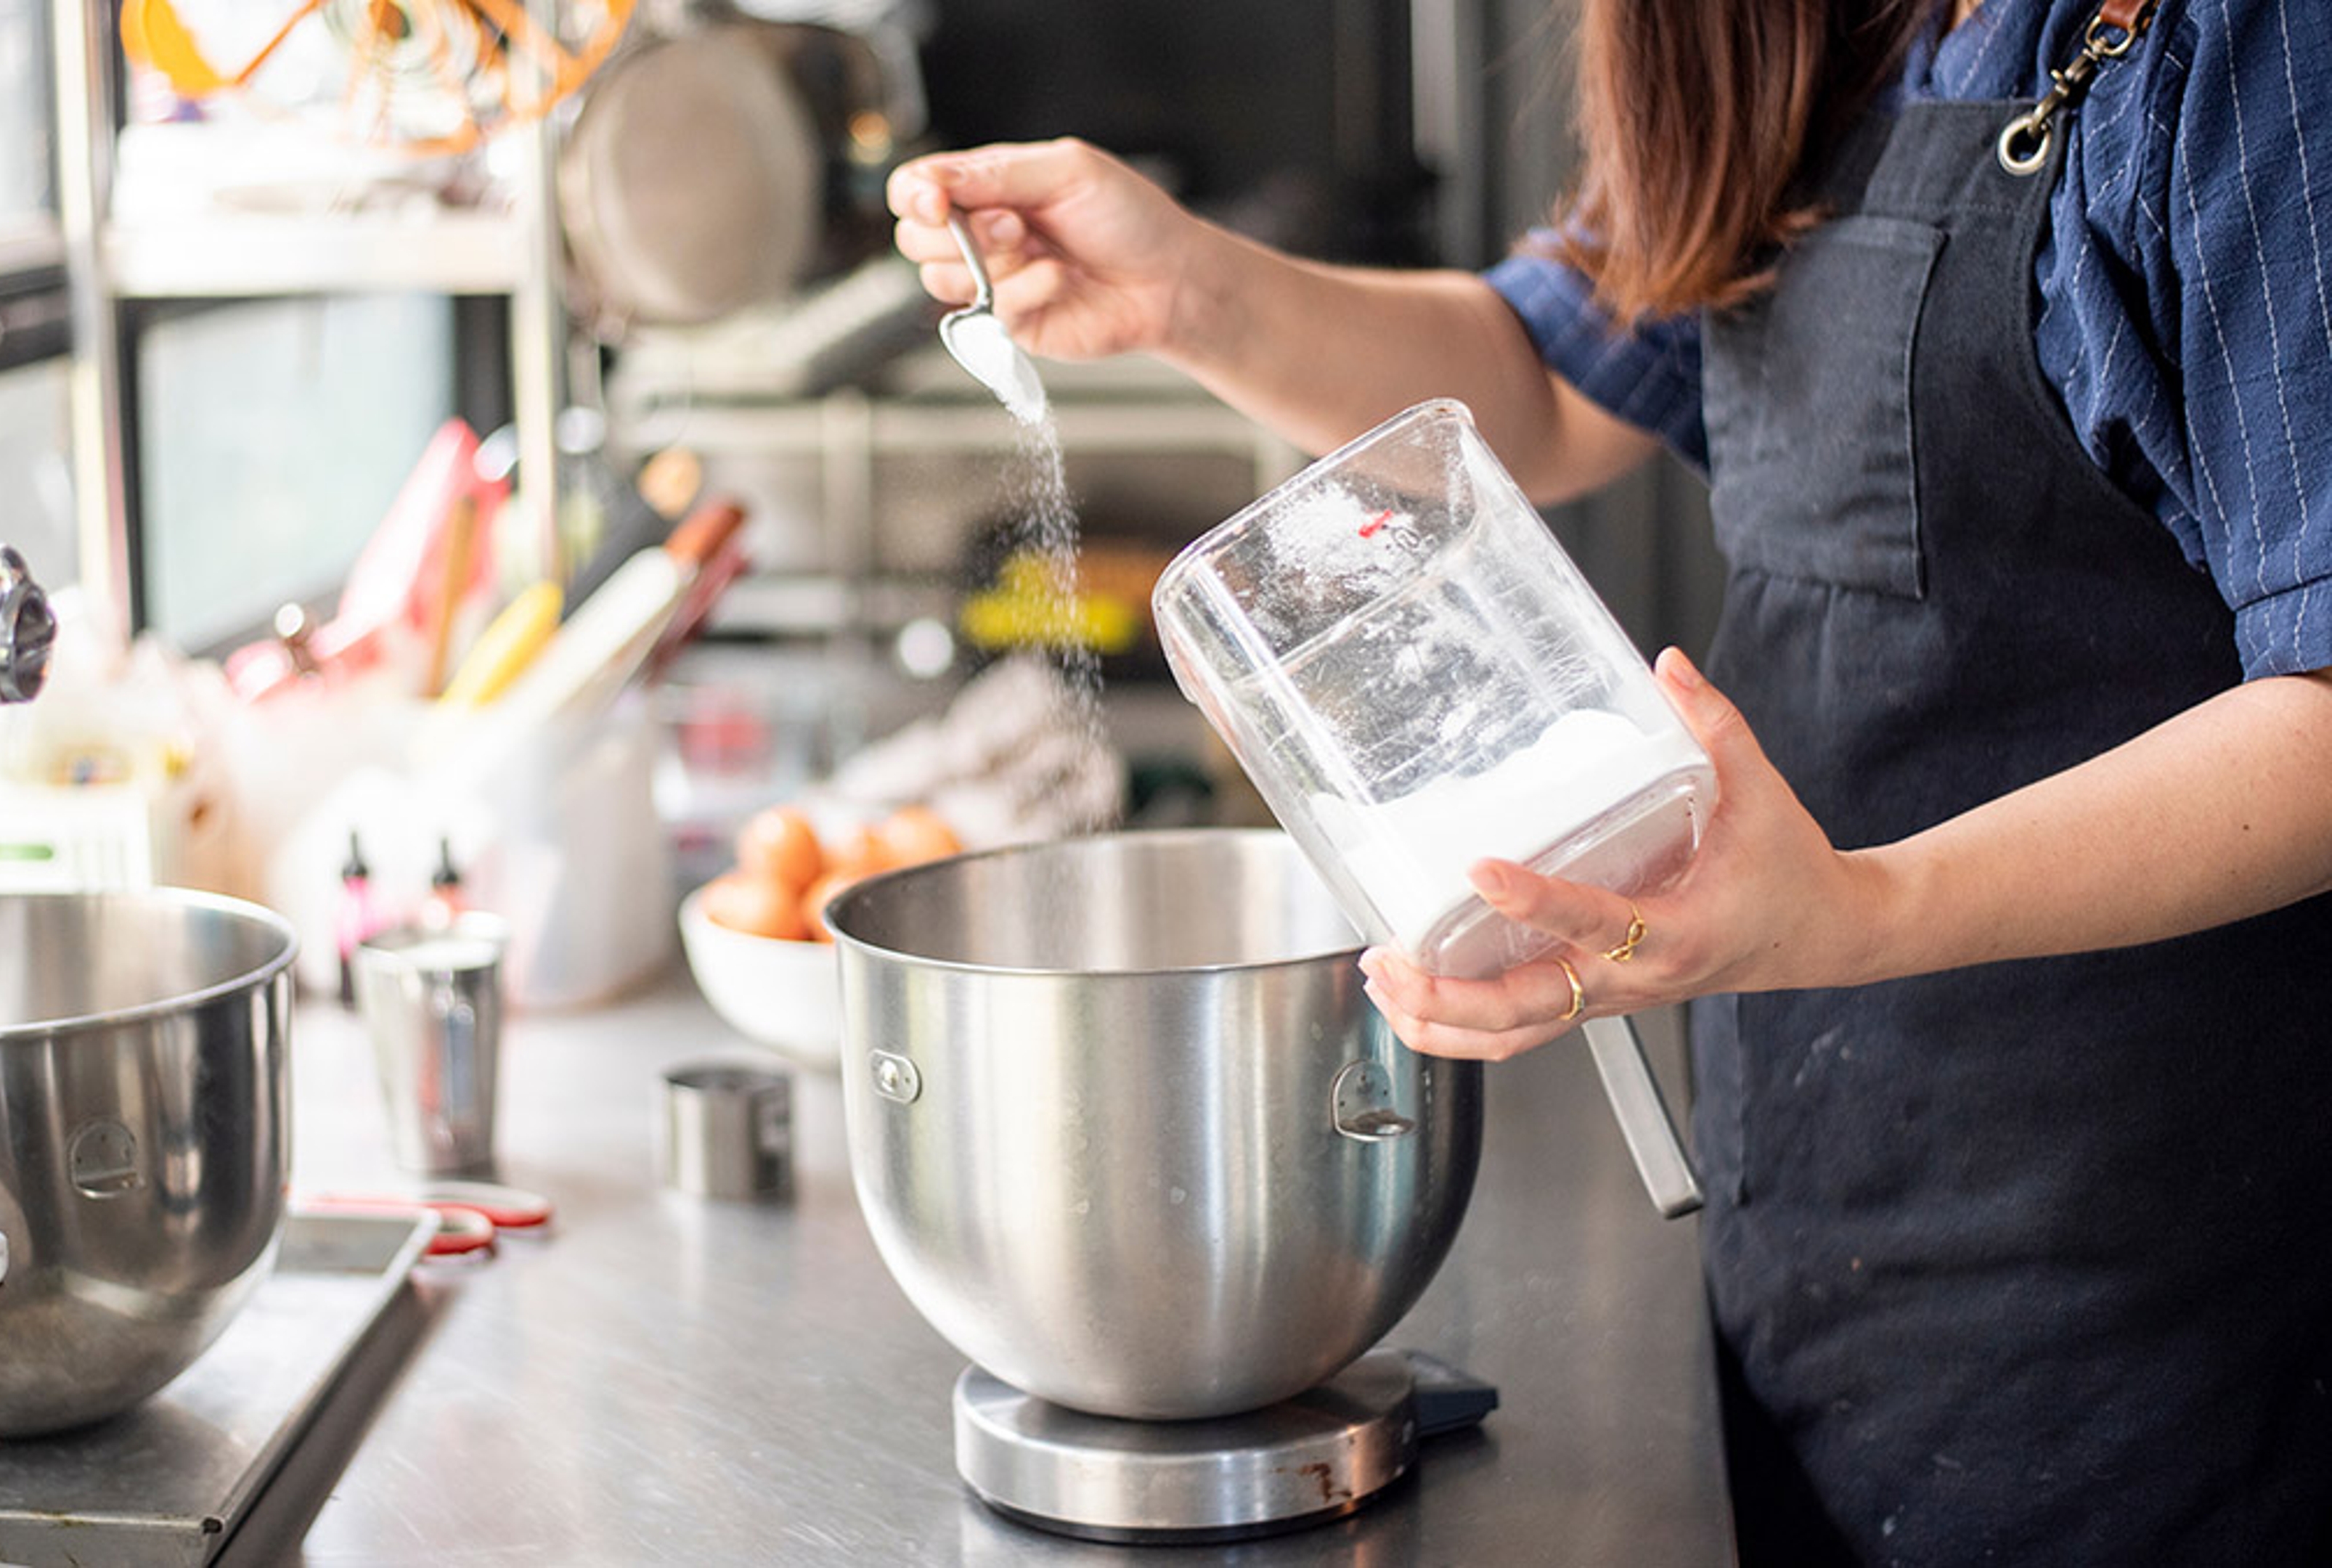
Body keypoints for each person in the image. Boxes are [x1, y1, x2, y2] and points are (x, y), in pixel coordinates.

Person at [889, 1, 2332, 1562]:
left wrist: (1856, 909)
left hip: (2170, 1308)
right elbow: (1546, 382)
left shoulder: (2253, 55)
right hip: (1825, 1244)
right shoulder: (1799, 32)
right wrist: (1190, 289)